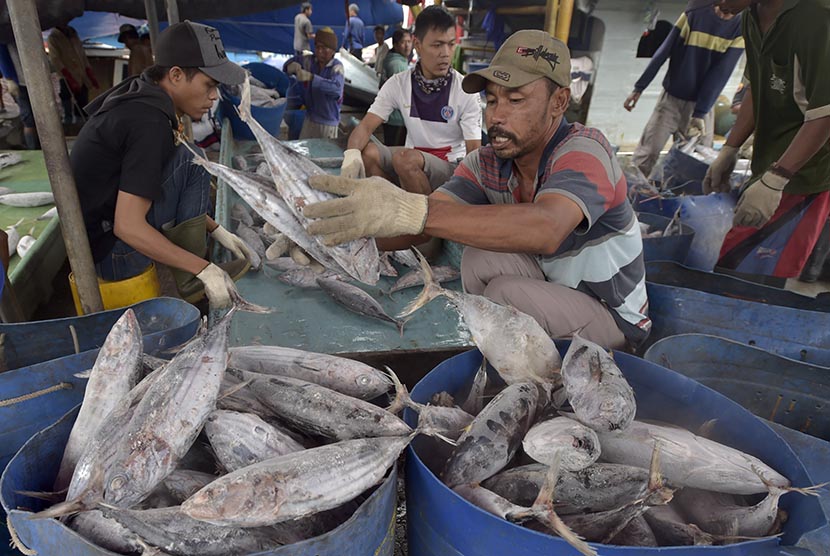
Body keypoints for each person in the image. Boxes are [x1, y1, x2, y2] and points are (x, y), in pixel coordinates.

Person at [303, 30, 651, 349]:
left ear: (559, 102)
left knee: (505, 292)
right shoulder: (487, 163)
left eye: (515, 101)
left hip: (612, 314)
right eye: (492, 100)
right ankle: (515, 347)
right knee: (477, 258)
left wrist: (416, 210)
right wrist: (333, 233)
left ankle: (541, 371)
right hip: (554, 285)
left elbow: (547, 227)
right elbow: (421, 223)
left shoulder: (585, 150)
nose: (496, 117)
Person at [70, 21, 258, 309]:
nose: (214, 97)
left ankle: (191, 272)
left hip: (100, 233)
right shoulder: (148, 122)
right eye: (209, 85)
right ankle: (192, 277)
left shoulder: (143, 93)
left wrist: (216, 229)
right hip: (112, 254)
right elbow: (127, 226)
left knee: (188, 156)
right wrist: (202, 268)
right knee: (191, 160)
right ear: (176, 75)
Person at [703, 0, 830, 283]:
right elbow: (757, 86)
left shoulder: (816, 18)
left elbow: (825, 115)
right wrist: (730, 148)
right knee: (732, 271)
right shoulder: (752, 15)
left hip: (805, 174)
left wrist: (777, 179)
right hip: (769, 165)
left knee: (759, 281)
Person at [340, 6, 481, 198]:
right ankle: (393, 203)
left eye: (451, 44)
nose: (446, 53)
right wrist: (351, 155)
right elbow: (365, 127)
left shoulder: (465, 89)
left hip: (451, 167)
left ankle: (430, 217)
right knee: (368, 153)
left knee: (404, 160)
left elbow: (474, 152)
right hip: (411, 158)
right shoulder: (398, 84)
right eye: (437, 45)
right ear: (417, 44)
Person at [623, 3, 744, 178]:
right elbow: (663, 52)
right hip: (670, 101)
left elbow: (721, 73)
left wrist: (700, 112)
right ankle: (628, 195)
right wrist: (639, 88)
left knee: (697, 161)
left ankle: (676, 199)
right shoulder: (694, 14)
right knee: (648, 152)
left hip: (702, 107)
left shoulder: (740, 28)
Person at [283, 27, 345, 140]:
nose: (320, 51)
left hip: (328, 124)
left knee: (323, 156)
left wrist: (312, 78)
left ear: (332, 50)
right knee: (304, 153)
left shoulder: (336, 67)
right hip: (309, 118)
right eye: (317, 47)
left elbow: (336, 90)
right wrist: (290, 66)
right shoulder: (309, 61)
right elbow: (290, 63)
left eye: (324, 48)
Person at [48, 24, 100, 124]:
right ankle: (68, 125)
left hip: (81, 75)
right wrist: (67, 76)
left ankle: (82, 126)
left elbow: (82, 55)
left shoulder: (73, 34)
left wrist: (89, 72)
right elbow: (55, 59)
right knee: (66, 103)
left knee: (83, 105)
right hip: (66, 77)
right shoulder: (53, 38)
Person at [379, 28, 413, 147]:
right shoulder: (397, 65)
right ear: (395, 45)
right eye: (403, 42)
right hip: (397, 118)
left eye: (409, 42)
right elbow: (403, 95)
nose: (407, 46)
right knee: (395, 153)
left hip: (391, 116)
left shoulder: (395, 59)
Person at [0, 43, 38, 149]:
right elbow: (2, 57)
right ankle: (33, 148)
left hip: (32, 79)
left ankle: (37, 145)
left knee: (37, 116)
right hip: (19, 81)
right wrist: (9, 79)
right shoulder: (4, 38)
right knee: (28, 117)